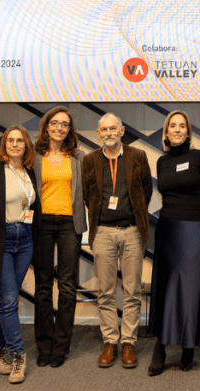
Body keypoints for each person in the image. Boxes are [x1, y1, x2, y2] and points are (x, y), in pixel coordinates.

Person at [82, 113, 153, 369]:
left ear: (122, 131)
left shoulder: (138, 156)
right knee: (106, 292)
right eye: (104, 129)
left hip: (133, 231)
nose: (109, 132)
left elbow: (145, 191)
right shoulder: (89, 160)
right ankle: (110, 341)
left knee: (133, 291)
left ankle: (128, 343)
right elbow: (87, 194)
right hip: (102, 232)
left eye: (114, 128)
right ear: (99, 133)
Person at [148, 111, 200, 376]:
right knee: (164, 288)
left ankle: (188, 346)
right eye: (172, 126)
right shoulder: (162, 161)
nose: (177, 130)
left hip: (194, 229)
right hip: (166, 229)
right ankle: (161, 347)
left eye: (182, 126)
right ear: (166, 133)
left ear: (188, 132)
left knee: (189, 288)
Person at [0, 125, 40, 384]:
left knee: (8, 300)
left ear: (27, 145)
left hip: (25, 239)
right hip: (0, 240)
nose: (15, 144)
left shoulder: (30, 172)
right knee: (8, 300)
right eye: (10, 140)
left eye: (20, 141)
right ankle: (18, 355)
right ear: (4, 144)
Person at [32, 106, 86, 368]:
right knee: (42, 285)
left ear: (69, 130)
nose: (59, 128)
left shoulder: (78, 157)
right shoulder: (34, 156)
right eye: (55, 123)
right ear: (46, 126)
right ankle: (44, 344)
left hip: (69, 224)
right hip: (41, 223)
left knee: (67, 286)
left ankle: (61, 346)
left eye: (65, 124)